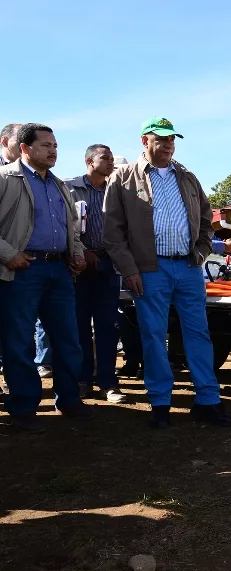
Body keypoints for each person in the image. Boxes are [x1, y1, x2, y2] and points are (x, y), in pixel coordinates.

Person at [103, 116, 231, 428]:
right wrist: (130, 269)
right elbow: (113, 233)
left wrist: (201, 250)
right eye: (161, 139)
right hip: (149, 270)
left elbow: (205, 216)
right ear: (144, 140)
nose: (168, 145)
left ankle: (207, 400)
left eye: (172, 140)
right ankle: (160, 402)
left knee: (199, 333)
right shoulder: (123, 178)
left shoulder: (186, 176)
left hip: (188, 267)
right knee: (153, 335)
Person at [0, 123, 95, 432]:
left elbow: (71, 227)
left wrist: (77, 252)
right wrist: (8, 254)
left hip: (59, 270)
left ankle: (69, 400)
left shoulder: (58, 185)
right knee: (19, 342)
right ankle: (24, 407)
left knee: (69, 339)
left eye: (55, 145)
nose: (53, 150)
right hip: (23, 268)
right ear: (25, 148)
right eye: (45, 145)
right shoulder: (5, 179)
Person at [65, 144, 127, 403]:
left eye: (112, 158)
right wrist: (81, 252)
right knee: (78, 325)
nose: (111, 162)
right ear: (89, 161)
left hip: (109, 265)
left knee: (107, 325)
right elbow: (64, 224)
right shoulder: (69, 187)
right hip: (78, 265)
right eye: (105, 158)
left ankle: (108, 382)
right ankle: (82, 380)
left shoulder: (118, 191)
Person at [0, 123, 21, 388]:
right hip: (7, 257)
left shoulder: (34, 174)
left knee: (14, 327)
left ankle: (11, 379)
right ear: (5, 141)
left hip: (19, 266)